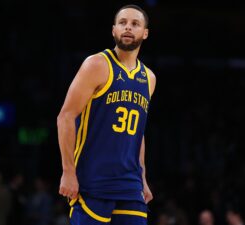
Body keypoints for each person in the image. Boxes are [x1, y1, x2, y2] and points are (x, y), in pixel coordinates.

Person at [57, 4, 156, 225]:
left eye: (135, 24)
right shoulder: (97, 64)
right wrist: (68, 171)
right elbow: (65, 116)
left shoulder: (149, 78)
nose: (128, 28)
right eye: (122, 23)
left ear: (145, 33)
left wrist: (143, 177)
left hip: (130, 184)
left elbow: (138, 133)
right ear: (113, 30)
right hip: (93, 180)